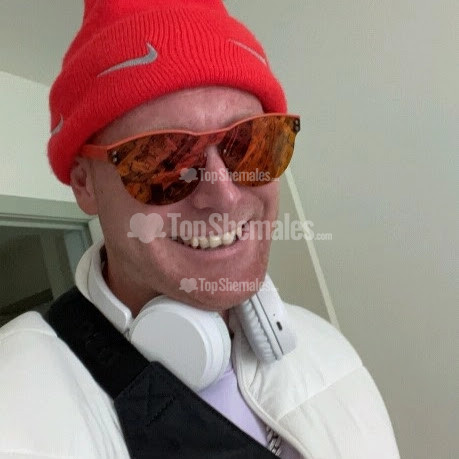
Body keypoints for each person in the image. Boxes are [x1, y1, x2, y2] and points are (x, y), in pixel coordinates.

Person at [0, 1, 400, 458]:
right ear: (84, 184)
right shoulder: (13, 408)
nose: (224, 194)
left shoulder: (329, 350)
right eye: (163, 159)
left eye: (250, 144)